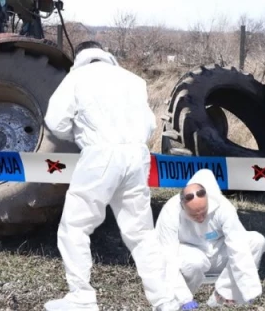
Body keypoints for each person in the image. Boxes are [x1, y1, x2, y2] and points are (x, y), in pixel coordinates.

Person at [43, 41, 181, 311]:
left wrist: (81, 134)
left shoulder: (76, 78)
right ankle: (164, 300)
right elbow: (150, 125)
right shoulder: (134, 80)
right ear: (105, 54)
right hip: (136, 156)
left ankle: (81, 297)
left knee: (75, 227)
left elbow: (55, 122)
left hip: (99, 158)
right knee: (141, 233)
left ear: (79, 58)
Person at [155, 168, 265, 309]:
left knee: (256, 241)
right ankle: (177, 302)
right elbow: (167, 257)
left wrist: (248, 288)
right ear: (183, 207)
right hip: (190, 256)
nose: (201, 218)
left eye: (204, 212)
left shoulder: (223, 206)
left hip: (218, 253)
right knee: (194, 262)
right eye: (195, 215)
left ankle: (224, 296)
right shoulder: (170, 212)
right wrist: (183, 297)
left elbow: (238, 246)